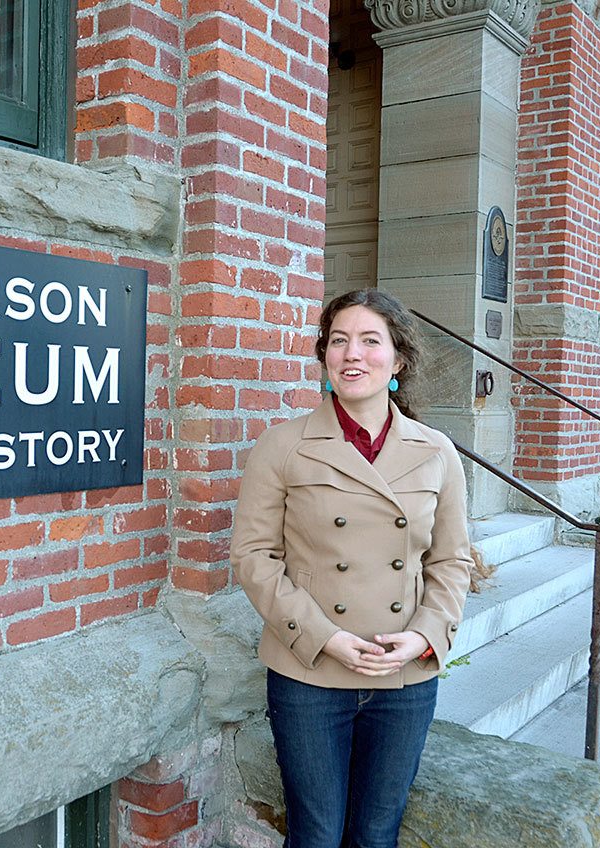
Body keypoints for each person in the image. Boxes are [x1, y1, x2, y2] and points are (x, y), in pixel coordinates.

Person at [230, 288, 474, 848]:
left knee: (376, 834)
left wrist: (426, 637)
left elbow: (452, 559)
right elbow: (253, 557)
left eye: (370, 341)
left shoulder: (438, 451)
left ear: (399, 359)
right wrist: (323, 636)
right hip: (309, 672)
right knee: (314, 835)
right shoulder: (283, 445)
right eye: (339, 341)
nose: (352, 354)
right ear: (323, 357)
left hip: (403, 677)